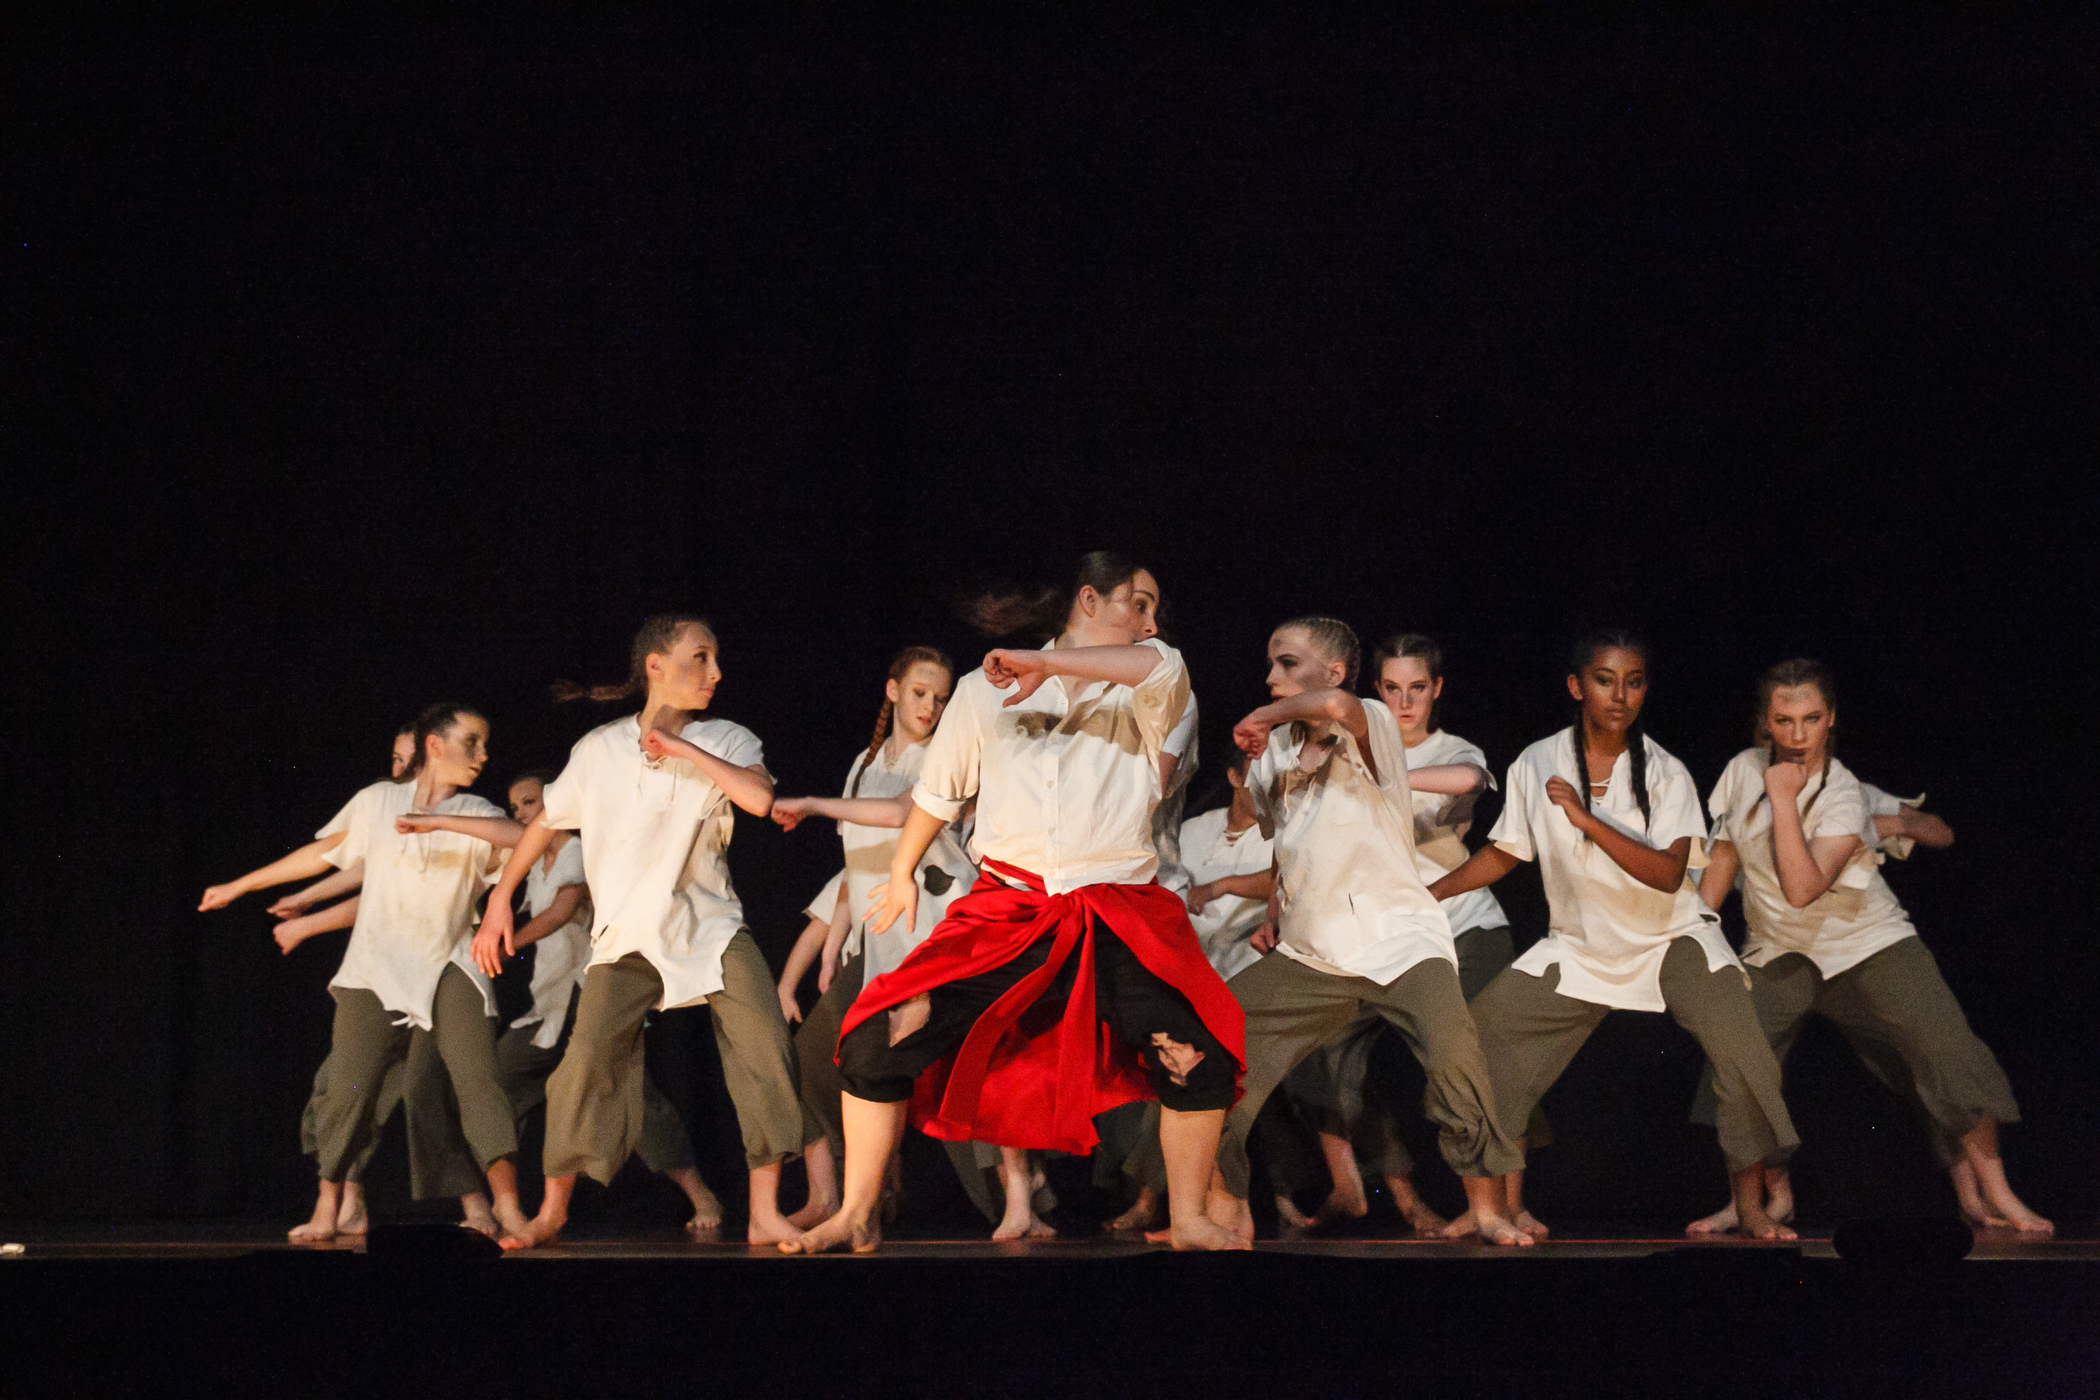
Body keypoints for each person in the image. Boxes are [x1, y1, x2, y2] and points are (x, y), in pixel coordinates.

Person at [783, 552, 1249, 1254]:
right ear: (1089, 600)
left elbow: (1152, 667)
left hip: (1118, 907)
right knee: (877, 1037)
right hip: (1011, 907)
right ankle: (853, 1210)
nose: (1152, 622)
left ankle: (1187, 1217)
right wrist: (903, 870)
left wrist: (1052, 667)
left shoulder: (1153, 674)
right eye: (1139, 603)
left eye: (1155, 610)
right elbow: (937, 793)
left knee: (1199, 1052)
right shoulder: (980, 688)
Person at [1431, 630, 1799, 1240]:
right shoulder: (1537, 761)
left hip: (1672, 937)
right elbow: (1506, 852)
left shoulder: (1665, 772)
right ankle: (1494, 1206)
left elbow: (1667, 874)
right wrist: (1434, 893)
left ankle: (1751, 1206)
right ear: (1578, 686)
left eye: (1632, 682)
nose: (1619, 695)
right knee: (1482, 1041)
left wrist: (1584, 818)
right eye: (1605, 679)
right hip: (1581, 948)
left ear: (1644, 690)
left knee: (1744, 1052)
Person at [475, 614, 823, 1248]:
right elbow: (547, 821)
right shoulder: (599, 749)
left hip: (709, 927)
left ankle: (767, 1210)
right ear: (657, 667)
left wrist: (686, 749)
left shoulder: (727, 737)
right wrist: (501, 898)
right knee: (585, 1065)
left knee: (764, 1046)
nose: (715, 673)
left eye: (717, 659)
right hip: (624, 935)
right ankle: (552, 1211)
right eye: (700, 658)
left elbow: (757, 800)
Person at [1682, 660, 2049, 1235]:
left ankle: (1996, 1193)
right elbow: (1725, 853)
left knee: (1947, 1051)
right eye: (1783, 720)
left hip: (1867, 941)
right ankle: (1760, 1200)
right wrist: (1698, 925)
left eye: (1810, 719)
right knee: (1738, 1060)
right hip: (1778, 949)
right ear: (1766, 724)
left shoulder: (1847, 793)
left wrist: (1893, 820)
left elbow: (1803, 887)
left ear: (1830, 720)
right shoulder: (1741, 770)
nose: (1797, 734)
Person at [1208, 617, 1529, 1246]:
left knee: (1457, 1058)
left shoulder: (1374, 723)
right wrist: (1273, 905)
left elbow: (1334, 707)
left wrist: (1266, 714)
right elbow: (1289, 845)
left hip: (1403, 941)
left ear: (1331, 673)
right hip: (1314, 952)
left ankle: (1490, 1209)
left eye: (1287, 664)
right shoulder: (1273, 752)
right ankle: (1223, 1208)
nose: (1273, 678)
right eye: (1270, 666)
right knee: (1215, 1048)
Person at [200, 703, 533, 1242]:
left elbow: (525, 839)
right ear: (433, 745)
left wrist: (438, 820)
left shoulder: (477, 810)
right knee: (349, 1087)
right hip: (375, 967)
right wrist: (241, 886)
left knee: (478, 1081)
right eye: (471, 742)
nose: (483, 755)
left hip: (450, 962)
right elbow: (324, 854)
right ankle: (330, 1203)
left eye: (485, 745)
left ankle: (508, 1206)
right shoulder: (377, 803)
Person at [769, 647, 1023, 1232]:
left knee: (966, 1066)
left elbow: (903, 813)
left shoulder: (945, 753)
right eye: (919, 693)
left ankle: (1017, 1197)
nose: (930, 707)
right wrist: (834, 944)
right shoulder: (863, 761)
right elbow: (853, 864)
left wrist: (808, 803)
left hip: (928, 926)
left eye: (939, 698)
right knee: (813, 1060)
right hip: (873, 936)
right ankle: (834, 1198)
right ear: (893, 692)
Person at [487, 771, 726, 1237]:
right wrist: (435, 822)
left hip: (589, 998)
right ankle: (501, 1205)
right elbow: (496, 835)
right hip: (547, 1009)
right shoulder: (534, 862)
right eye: (514, 806)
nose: (520, 813)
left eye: (529, 802)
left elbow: (564, 909)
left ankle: (701, 1194)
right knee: (494, 1081)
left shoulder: (577, 848)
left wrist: (505, 943)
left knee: (633, 1096)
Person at [1102, 743, 1275, 1235]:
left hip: (1243, 969)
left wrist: (1221, 887)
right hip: (1185, 972)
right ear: (1236, 778)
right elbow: (1161, 882)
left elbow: (1287, 882)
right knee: (1168, 1071)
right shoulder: (1198, 830)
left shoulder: (1281, 834)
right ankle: (1167, 1204)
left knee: (1208, 1078)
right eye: (1259, 777)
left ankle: (1205, 1207)